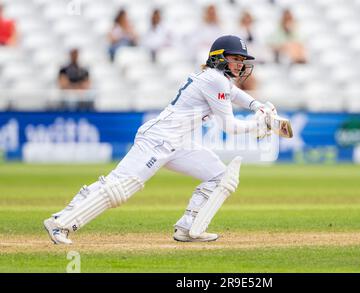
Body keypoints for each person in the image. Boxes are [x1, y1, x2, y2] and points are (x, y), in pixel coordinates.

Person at [43, 35, 277, 244]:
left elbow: (236, 94)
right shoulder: (215, 79)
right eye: (235, 58)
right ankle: (60, 222)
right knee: (120, 186)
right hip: (159, 139)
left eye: (241, 59)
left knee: (220, 177)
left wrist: (258, 106)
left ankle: (188, 227)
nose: (240, 64)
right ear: (219, 58)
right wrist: (258, 125)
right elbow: (230, 126)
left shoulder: (216, 79)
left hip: (178, 143)